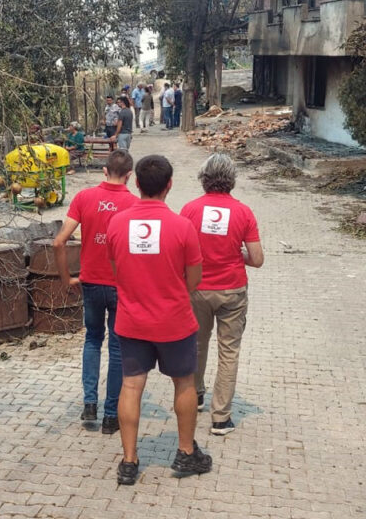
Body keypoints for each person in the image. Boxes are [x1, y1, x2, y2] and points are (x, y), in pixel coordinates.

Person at [106, 154, 213, 485]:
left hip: (131, 321)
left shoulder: (116, 223)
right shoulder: (182, 226)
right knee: (184, 383)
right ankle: (185, 454)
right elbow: (194, 279)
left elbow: (116, 271)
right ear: (169, 185)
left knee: (131, 386)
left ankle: (128, 462)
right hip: (174, 321)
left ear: (137, 184)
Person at [52, 150, 138, 436]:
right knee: (116, 348)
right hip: (120, 286)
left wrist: (67, 278)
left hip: (89, 283)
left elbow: (58, 242)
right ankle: (111, 416)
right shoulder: (135, 205)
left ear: (104, 170)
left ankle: (90, 403)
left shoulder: (83, 198)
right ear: (129, 175)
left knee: (92, 340)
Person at [180, 154, 264, 436]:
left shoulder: (189, 210)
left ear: (204, 179)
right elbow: (257, 259)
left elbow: (179, 252)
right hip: (232, 291)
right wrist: (236, 254)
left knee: (196, 345)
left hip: (197, 289)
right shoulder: (243, 212)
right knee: (228, 352)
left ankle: (197, 395)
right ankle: (221, 417)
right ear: (232, 179)